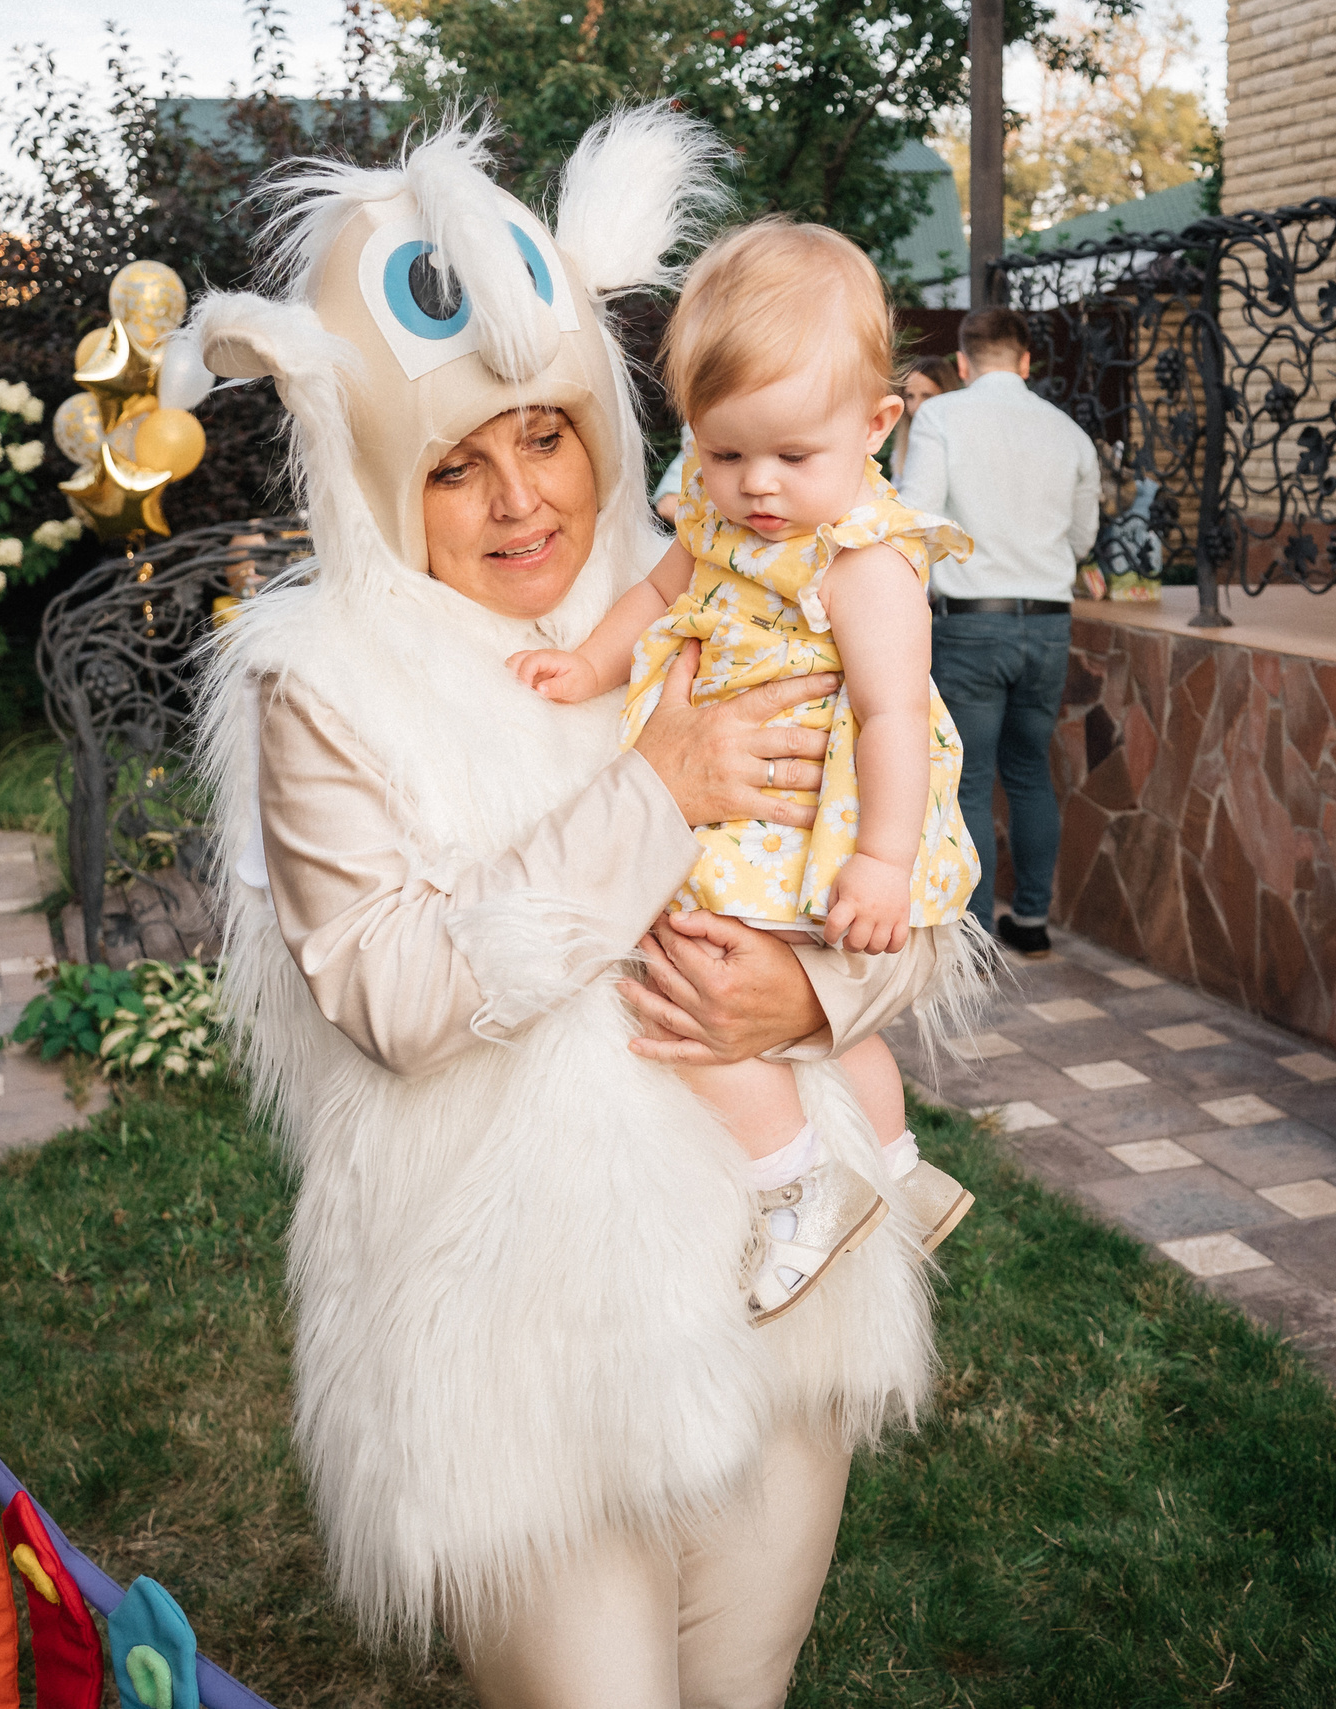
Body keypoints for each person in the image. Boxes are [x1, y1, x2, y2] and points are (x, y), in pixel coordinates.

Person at [181, 109, 944, 1708]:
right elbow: (393, 996)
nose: (521, 498)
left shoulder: (721, 571)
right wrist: (654, 790)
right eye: (453, 463)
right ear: (380, 468)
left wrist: (805, 1002)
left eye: (545, 433)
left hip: (776, 1276)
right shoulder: (323, 682)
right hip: (521, 1336)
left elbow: (900, 873)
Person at [509, 218, 981, 1324]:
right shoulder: (722, 522)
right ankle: (898, 1167)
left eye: (790, 456)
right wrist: (586, 662)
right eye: (723, 454)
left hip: (810, 822)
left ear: (874, 425)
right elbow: (657, 595)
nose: (755, 486)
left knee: (684, 984)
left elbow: (892, 713)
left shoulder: (862, 557)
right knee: (831, 1023)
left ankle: (797, 1183)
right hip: (742, 800)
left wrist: (881, 858)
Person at [895, 306, 1100, 959]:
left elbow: (917, 514)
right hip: (1047, 623)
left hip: (972, 624)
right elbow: (1083, 537)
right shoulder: (1069, 432)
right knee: (1029, 768)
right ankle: (1032, 922)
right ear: (1026, 362)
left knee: (971, 778)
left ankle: (976, 938)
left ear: (961, 364)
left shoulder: (943, 416)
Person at [884, 354, 960, 486]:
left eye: (926, 396)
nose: (916, 406)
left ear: (946, 394)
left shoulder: (959, 447)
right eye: (910, 396)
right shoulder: (901, 450)